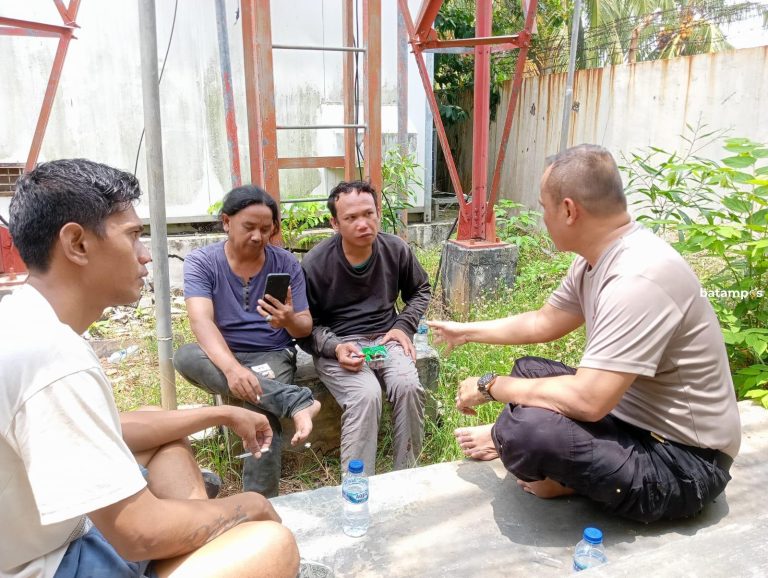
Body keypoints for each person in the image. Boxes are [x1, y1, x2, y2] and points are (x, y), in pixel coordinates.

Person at [1, 159, 300, 577]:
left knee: (166, 435)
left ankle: (191, 544)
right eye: (133, 236)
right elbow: (134, 533)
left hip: (45, 530)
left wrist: (223, 412)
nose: (145, 256)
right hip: (47, 563)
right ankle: (195, 546)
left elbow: (108, 429)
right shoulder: (51, 358)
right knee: (273, 545)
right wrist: (248, 504)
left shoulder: (24, 320)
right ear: (77, 244)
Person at [430, 144, 741, 523]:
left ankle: (565, 478)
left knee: (526, 431)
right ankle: (542, 454)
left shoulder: (638, 276)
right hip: (631, 419)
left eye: (544, 207)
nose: (542, 217)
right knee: (530, 370)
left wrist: (490, 385)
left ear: (568, 210)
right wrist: (467, 332)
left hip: (683, 461)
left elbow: (590, 400)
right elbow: (545, 321)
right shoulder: (597, 258)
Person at [173, 185, 321, 498]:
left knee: (262, 415)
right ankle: (295, 400)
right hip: (220, 353)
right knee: (185, 356)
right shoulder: (202, 262)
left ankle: (259, 502)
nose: (257, 236)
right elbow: (201, 320)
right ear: (226, 222)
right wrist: (231, 368)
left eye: (266, 230)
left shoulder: (285, 264)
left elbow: (305, 326)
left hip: (272, 352)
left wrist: (288, 319)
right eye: (249, 227)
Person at [300, 180, 431, 476]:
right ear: (335, 222)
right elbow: (306, 327)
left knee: (408, 386)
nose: (363, 224)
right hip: (341, 345)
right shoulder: (316, 263)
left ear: (378, 212)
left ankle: (406, 477)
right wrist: (334, 347)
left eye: (368, 214)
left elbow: (421, 289)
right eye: (351, 218)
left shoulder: (395, 249)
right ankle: (358, 487)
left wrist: (403, 325)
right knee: (366, 394)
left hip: (386, 338)